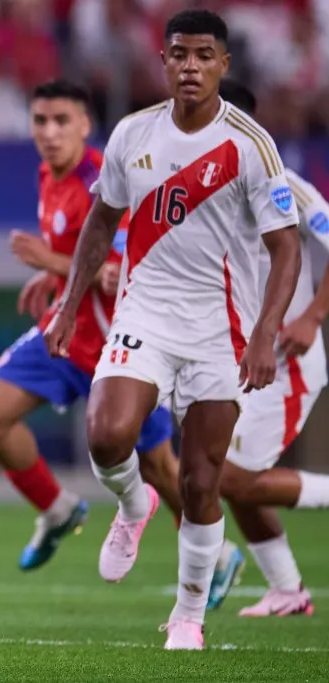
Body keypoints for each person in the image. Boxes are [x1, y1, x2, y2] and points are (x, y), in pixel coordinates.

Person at [44, 9, 301, 650]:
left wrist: (267, 332)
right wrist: (70, 303)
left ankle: (187, 614)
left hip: (224, 330)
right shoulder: (133, 134)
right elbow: (101, 224)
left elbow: (287, 248)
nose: (191, 66)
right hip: (147, 313)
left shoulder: (250, 144)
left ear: (224, 65)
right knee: (107, 434)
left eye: (204, 55)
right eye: (179, 54)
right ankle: (133, 504)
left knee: (200, 481)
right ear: (162, 61)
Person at [0, 79, 183, 571]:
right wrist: (53, 271)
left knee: (160, 470)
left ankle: (213, 556)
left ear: (85, 125)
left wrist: (50, 261)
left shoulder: (108, 178)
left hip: (118, 341)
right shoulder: (49, 173)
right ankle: (57, 509)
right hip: (65, 330)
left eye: (62, 120)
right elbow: (82, 257)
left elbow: (119, 271)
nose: (49, 131)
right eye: (40, 120)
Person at [200, 78, 329, 615]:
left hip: (286, 359)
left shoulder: (286, 187)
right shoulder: (200, 194)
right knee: (231, 479)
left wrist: (312, 315)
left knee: (229, 477)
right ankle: (287, 589)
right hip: (232, 361)